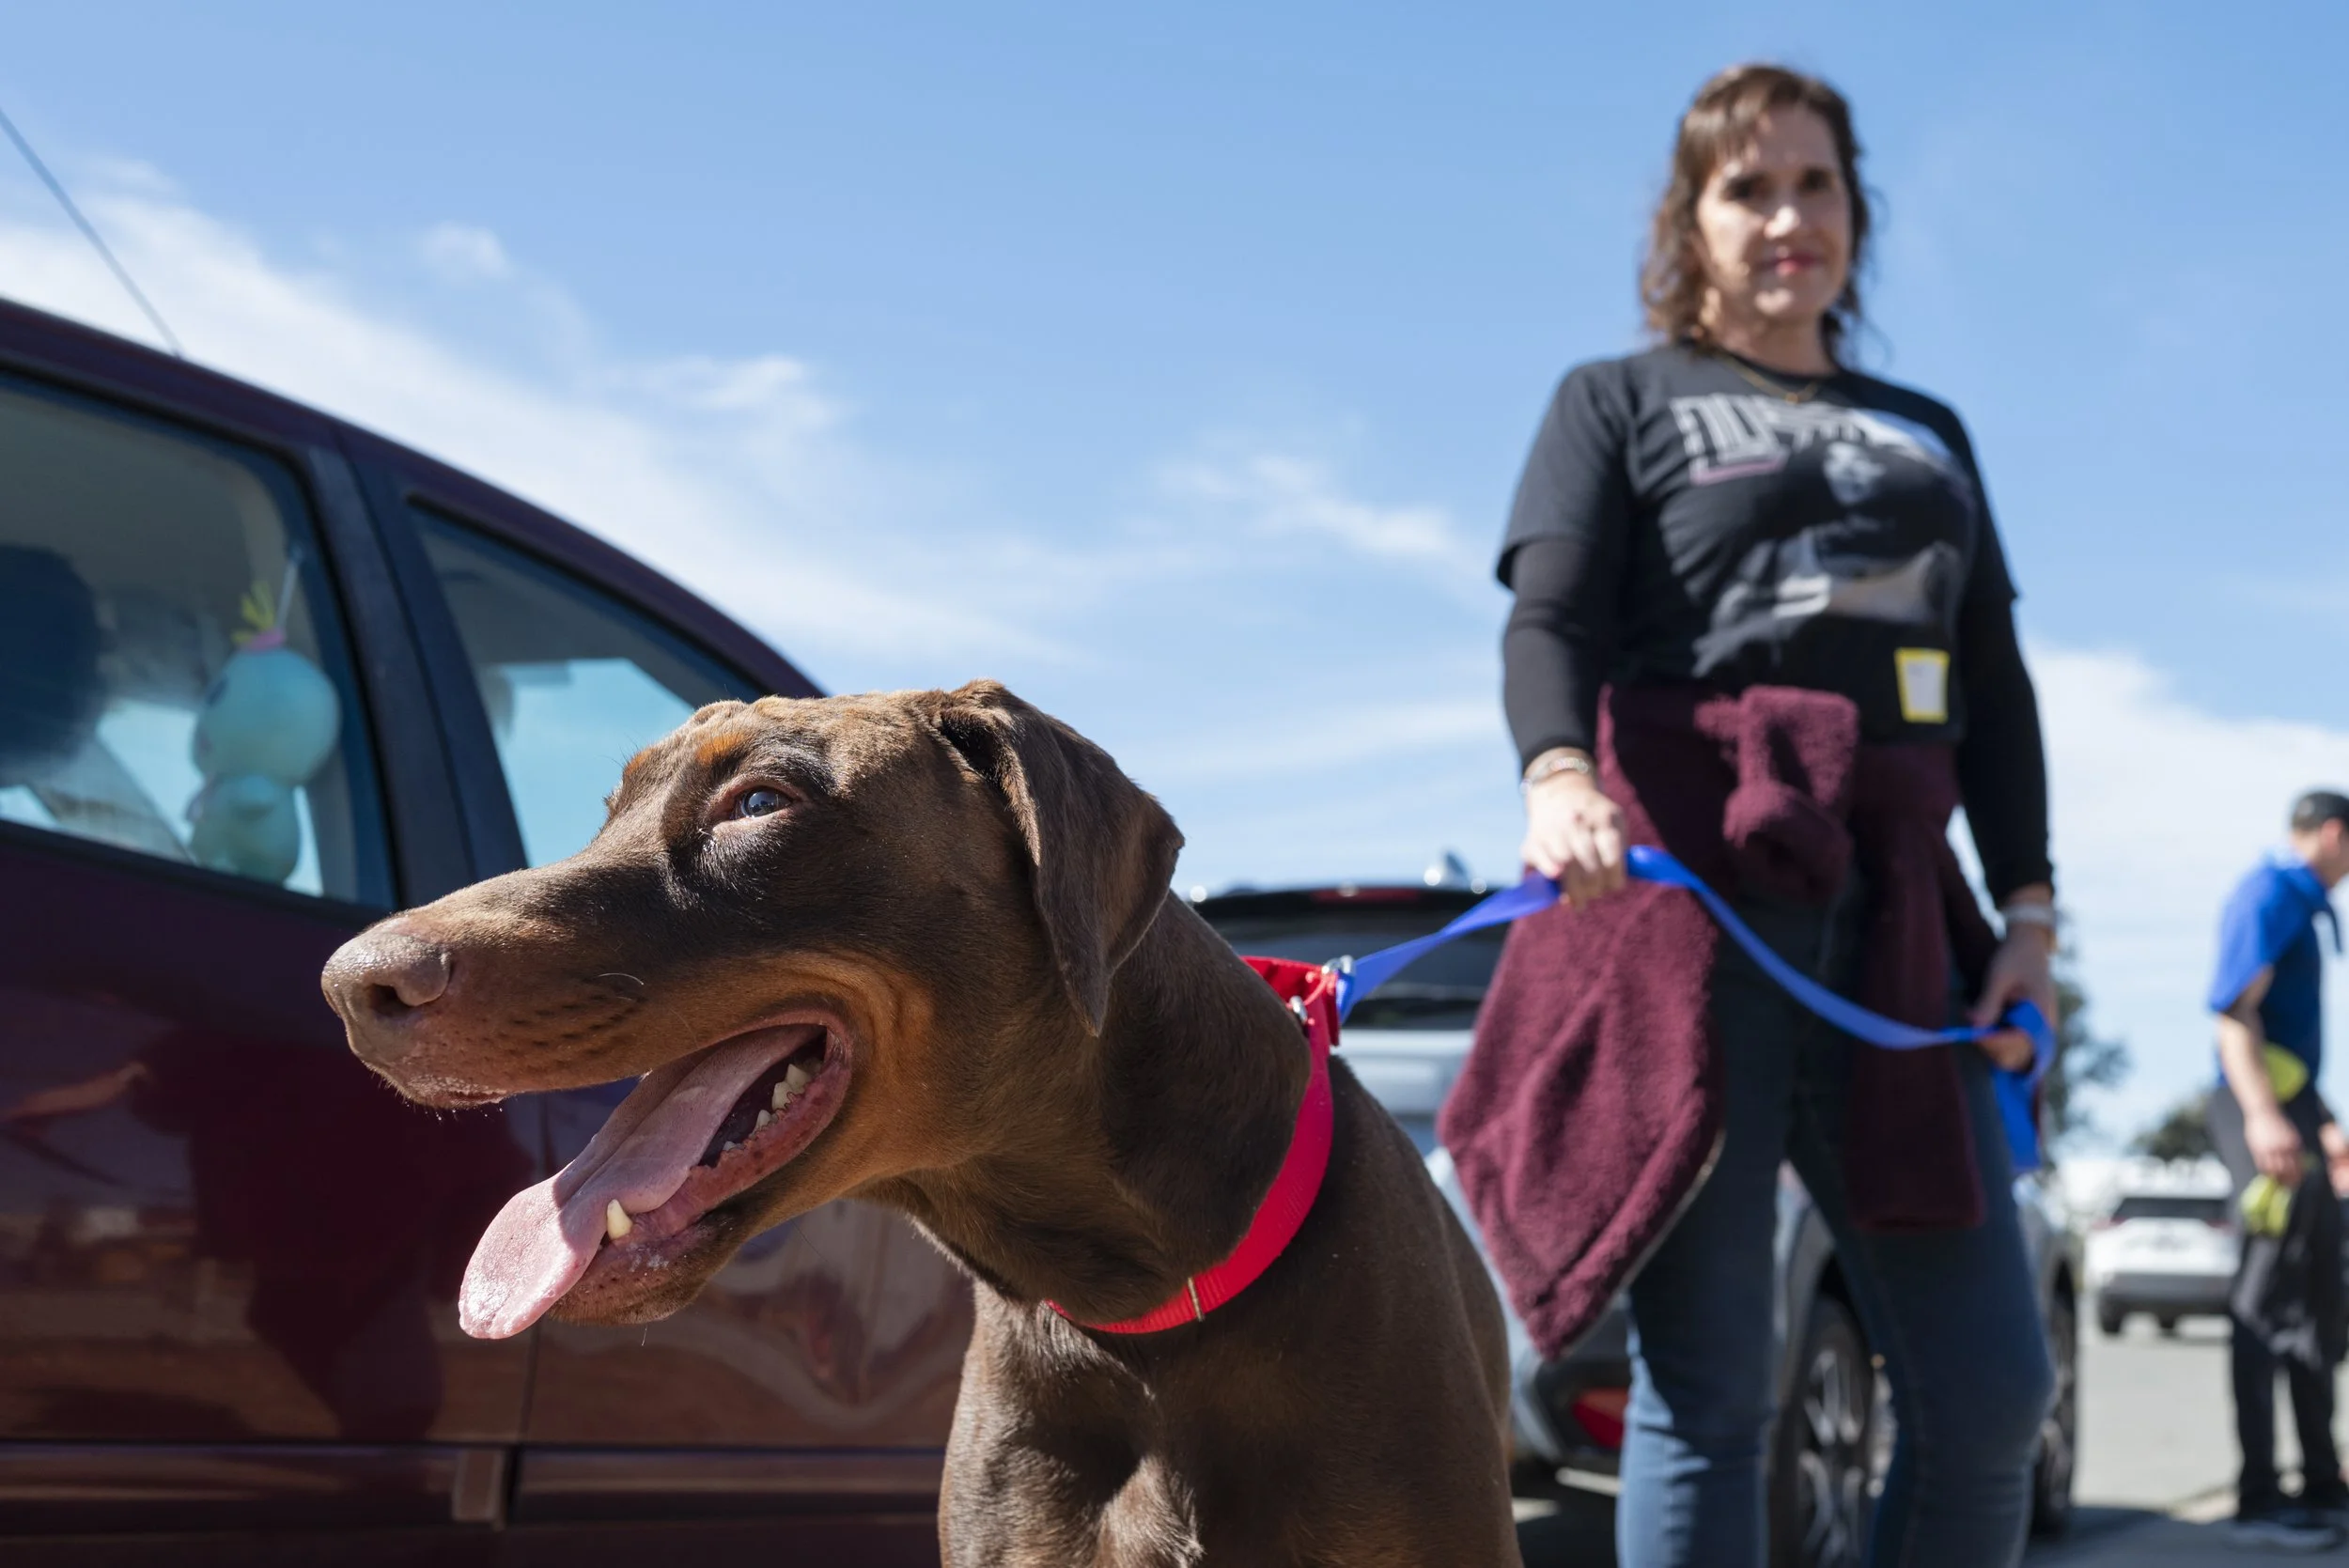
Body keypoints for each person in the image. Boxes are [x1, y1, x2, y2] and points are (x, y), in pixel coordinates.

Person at [1492, 64, 2057, 1567]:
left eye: (1816, 184)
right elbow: (1548, 619)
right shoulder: (1613, 400)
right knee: (1713, 1394)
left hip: (1898, 926)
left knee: (1994, 1393)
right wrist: (1558, 774)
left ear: (1858, 215)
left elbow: (1993, 690)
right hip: (1694, 905)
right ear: (1692, 219)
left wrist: (2035, 919)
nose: (1787, 217)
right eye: (1748, 188)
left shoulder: (1926, 430)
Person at [2204, 789, 2349, 1550]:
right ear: (2333, 833)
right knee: (2267, 1294)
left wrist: (2325, 1126)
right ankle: (2259, 1494)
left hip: (2295, 1105)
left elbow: (2293, 1039)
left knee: (2320, 1293)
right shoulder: (2270, 892)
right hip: (2253, 1104)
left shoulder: (2311, 905)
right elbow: (2235, 1013)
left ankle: (2322, 1482)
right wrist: (2263, 1116)